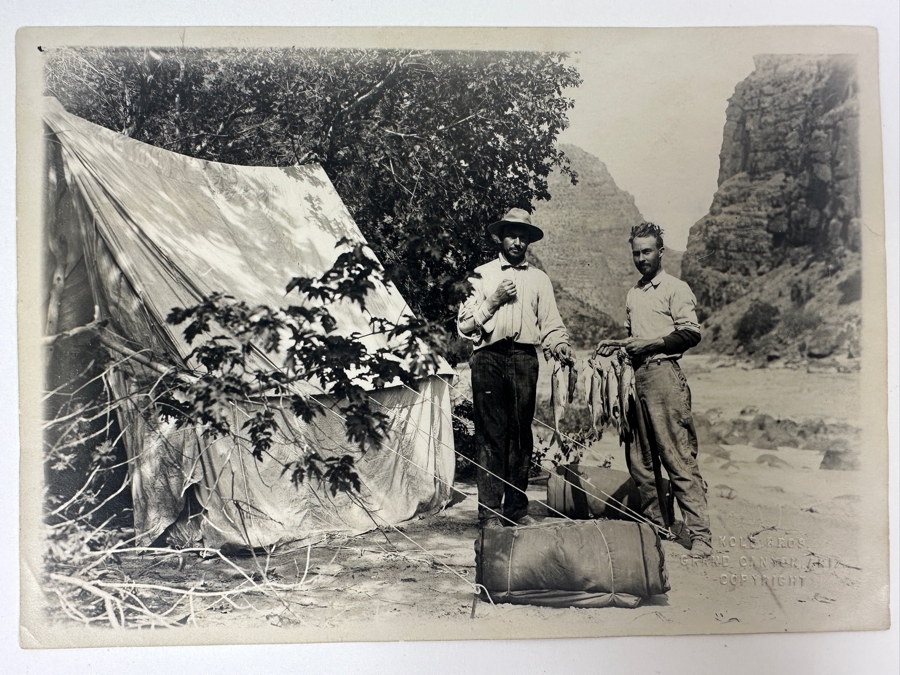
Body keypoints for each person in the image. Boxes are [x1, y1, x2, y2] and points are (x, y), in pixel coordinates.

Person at [596, 221, 712, 557]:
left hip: (664, 376)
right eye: (636, 253)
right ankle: (657, 528)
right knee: (640, 461)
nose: (641, 259)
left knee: (677, 456)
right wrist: (619, 345)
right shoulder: (633, 294)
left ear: (661, 252)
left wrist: (651, 344)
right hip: (635, 379)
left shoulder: (676, 288)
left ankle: (700, 535)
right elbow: (635, 339)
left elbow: (690, 333)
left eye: (647, 252)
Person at [458, 208, 574, 529]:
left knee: (521, 435)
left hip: (524, 358)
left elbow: (551, 325)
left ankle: (516, 510)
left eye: (523, 237)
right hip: (488, 358)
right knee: (490, 435)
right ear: (501, 237)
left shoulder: (539, 279)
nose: (517, 242)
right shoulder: (480, 276)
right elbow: (464, 326)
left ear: (529, 241)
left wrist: (560, 345)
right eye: (512, 235)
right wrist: (493, 301)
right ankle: (490, 513)